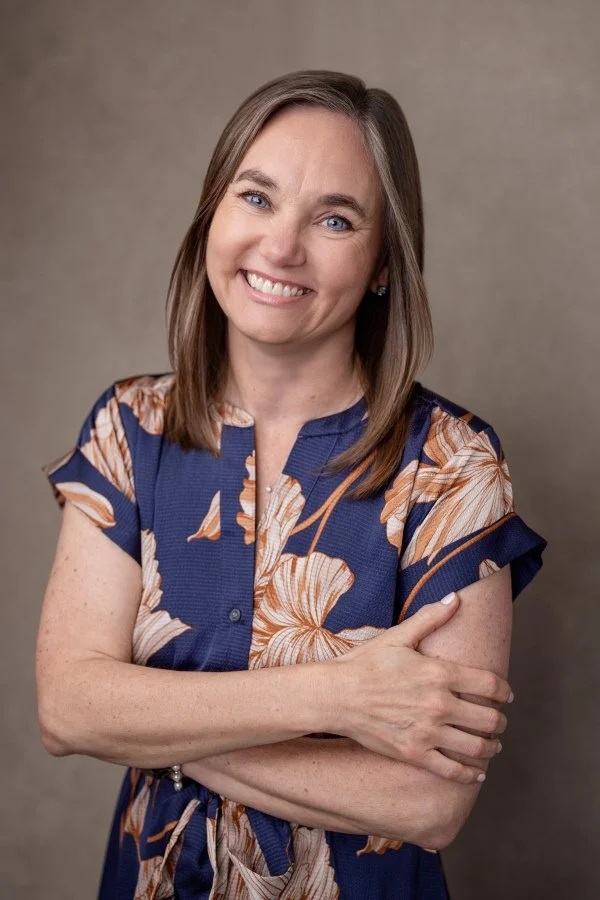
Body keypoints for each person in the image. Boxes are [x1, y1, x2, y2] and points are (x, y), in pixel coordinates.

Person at [37, 70, 547, 899]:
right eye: (257, 198)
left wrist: (144, 721)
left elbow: (427, 801)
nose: (281, 248)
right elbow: (66, 708)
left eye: (335, 219)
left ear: (384, 263)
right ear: (214, 215)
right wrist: (340, 697)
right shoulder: (130, 430)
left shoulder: (453, 465)